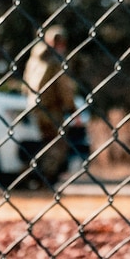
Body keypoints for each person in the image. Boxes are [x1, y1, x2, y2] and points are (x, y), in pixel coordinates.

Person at [22, 24, 77, 183]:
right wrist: (73, 109)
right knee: (57, 144)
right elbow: (64, 88)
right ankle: (45, 178)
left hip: (32, 106)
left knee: (39, 143)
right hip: (51, 109)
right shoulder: (56, 61)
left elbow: (25, 82)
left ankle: (32, 175)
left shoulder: (34, 58)